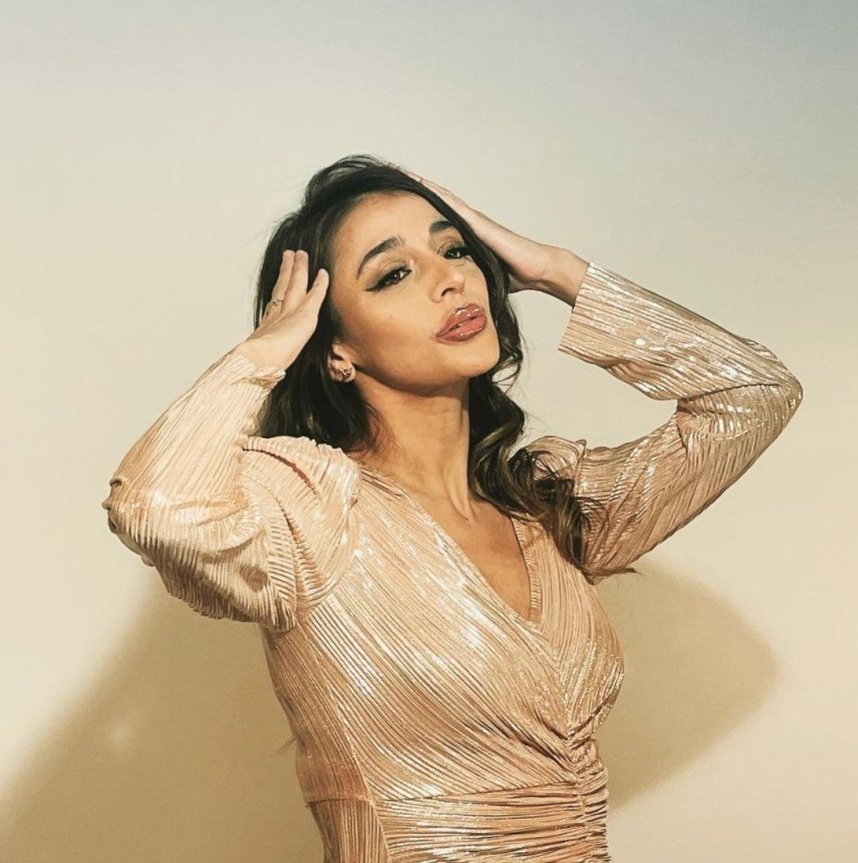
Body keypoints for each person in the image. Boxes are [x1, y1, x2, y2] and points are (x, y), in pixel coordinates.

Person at [100, 155, 803, 862]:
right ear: (335, 347)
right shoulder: (311, 505)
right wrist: (264, 352)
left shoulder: (548, 506)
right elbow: (155, 505)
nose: (449, 279)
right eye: (392, 274)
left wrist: (556, 270)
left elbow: (755, 394)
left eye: (456, 250)